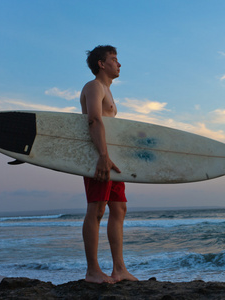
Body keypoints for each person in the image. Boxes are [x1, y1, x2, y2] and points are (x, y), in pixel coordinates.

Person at [80, 45, 138, 284]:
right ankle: (92, 271)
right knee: (97, 210)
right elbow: (93, 119)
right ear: (101, 64)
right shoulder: (94, 87)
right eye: (114, 59)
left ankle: (119, 269)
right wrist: (103, 155)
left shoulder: (108, 91)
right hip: (99, 158)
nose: (119, 64)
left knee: (119, 209)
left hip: (112, 160)